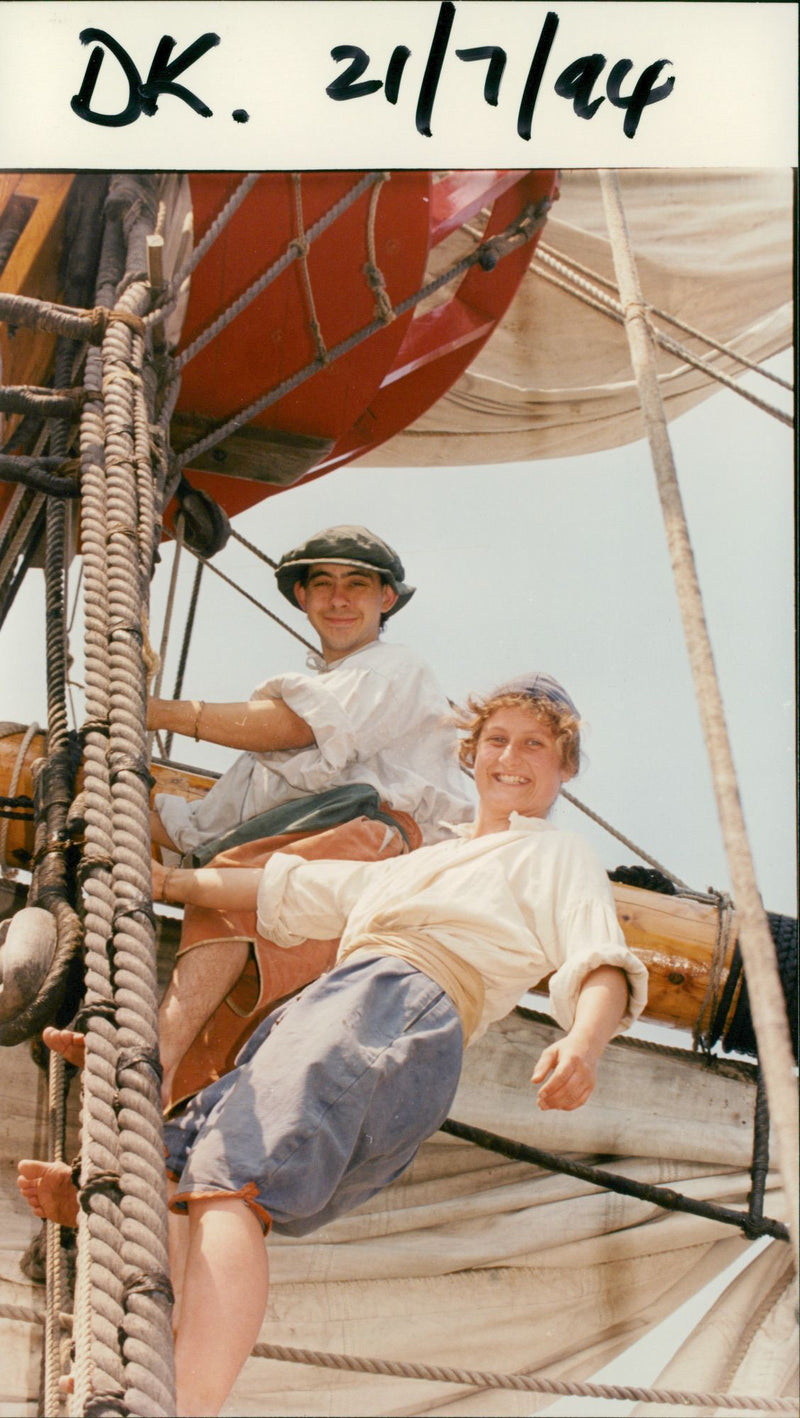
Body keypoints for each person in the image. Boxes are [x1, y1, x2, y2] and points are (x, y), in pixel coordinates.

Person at [20, 672, 647, 1417]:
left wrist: (583, 1040)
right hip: (338, 1007)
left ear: (564, 766)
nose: (512, 757)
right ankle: (145, 1374)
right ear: (469, 756)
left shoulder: (556, 855)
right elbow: (280, 890)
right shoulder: (419, 867)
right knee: (181, 1175)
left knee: (231, 1185)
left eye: (535, 745)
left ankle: (188, 1399)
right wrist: (157, 878)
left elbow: (601, 960)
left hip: (400, 1004)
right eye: (496, 741)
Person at [47, 526, 472, 1109]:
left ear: (387, 600)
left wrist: (155, 712)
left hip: (382, 852)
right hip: (317, 868)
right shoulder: (267, 758)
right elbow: (196, 830)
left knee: (231, 879)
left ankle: (151, 1054)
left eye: (358, 585)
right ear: (302, 598)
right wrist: (90, 786)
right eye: (321, 585)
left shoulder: (396, 669)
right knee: (230, 1016)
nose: (339, 599)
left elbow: (301, 726)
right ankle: (164, 1088)